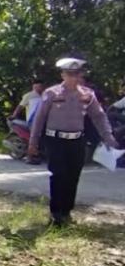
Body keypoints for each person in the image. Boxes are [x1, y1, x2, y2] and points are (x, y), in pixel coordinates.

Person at [29, 58, 121, 226]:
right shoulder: (51, 93)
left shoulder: (87, 94)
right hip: (55, 140)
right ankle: (56, 214)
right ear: (62, 75)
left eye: (76, 74)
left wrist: (109, 138)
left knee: (73, 177)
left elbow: (99, 117)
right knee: (59, 175)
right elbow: (39, 119)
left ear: (81, 75)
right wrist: (33, 142)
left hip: (77, 141)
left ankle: (66, 212)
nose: (73, 77)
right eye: (69, 74)